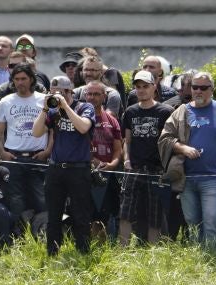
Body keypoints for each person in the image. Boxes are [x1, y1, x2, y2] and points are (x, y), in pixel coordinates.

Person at [158, 72, 216, 252]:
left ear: (211, 90)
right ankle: (197, 263)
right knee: (192, 223)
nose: (198, 91)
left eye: (203, 88)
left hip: (214, 178)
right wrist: (183, 148)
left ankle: (211, 263)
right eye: (195, 87)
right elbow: (164, 139)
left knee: (211, 221)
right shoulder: (181, 111)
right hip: (186, 177)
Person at [32, 76, 96, 256]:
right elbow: (36, 133)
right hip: (56, 168)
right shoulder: (52, 112)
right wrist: (45, 108)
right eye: (54, 93)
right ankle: (52, 253)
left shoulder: (85, 107)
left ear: (70, 91)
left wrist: (65, 106)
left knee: (80, 214)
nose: (57, 96)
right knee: (53, 215)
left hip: (79, 169)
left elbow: (83, 127)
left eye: (61, 92)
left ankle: (83, 252)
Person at [119, 71, 174, 245]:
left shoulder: (166, 111)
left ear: (154, 87)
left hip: (156, 169)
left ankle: (154, 252)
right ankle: (122, 249)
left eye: (145, 86)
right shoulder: (130, 112)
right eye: (138, 87)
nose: (141, 90)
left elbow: (170, 140)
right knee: (125, 211)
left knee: (155, 213)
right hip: (134, 167)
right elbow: (127, 141)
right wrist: (126, 160)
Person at [0, 63, 49, 232]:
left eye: (23, 78)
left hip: (38, 157)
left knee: (42, 198)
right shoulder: (5, 101)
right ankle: (18, 236)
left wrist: (48, 151)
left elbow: (53, 129)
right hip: (14, 158)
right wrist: (2, 152)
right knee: (15, 201)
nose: (20, 82)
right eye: (16, 79)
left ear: (31, 79)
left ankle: (43, 234)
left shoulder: (44, 99)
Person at [84, 80, 123, 239]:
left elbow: (118, 148)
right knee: (87, 214)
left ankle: (104, 248)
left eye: (96, 94)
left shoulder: (112, 120)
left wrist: (113, 164)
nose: (92, 97)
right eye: (89, 94)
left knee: (105, 214)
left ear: (104, 96)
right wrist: (94, 161)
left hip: (107, 174)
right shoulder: (80, 117)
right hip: (86, 173)